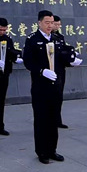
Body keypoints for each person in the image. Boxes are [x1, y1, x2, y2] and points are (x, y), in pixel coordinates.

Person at [22, 10, 80, 164]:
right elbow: (28, 61)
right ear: (39, 23)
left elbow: (62, 58)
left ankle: (52, 150)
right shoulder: (32, 39)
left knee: (54, 119)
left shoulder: (57, 39)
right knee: (41, 119)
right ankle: (42, 151)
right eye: (47, 22)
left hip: (56, 85)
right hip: (41, 86)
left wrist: (71, 61)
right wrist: (42, 71)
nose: (50, 25)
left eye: (52, 22)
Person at [52, 15, 71, 128]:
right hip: (49, 71)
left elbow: (63, 51)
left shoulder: (60, 37)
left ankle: (57, 120)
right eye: (56, 24)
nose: (58, 26)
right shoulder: (47, 37)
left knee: (59, 96)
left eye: (59, 24)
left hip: (60, 70)